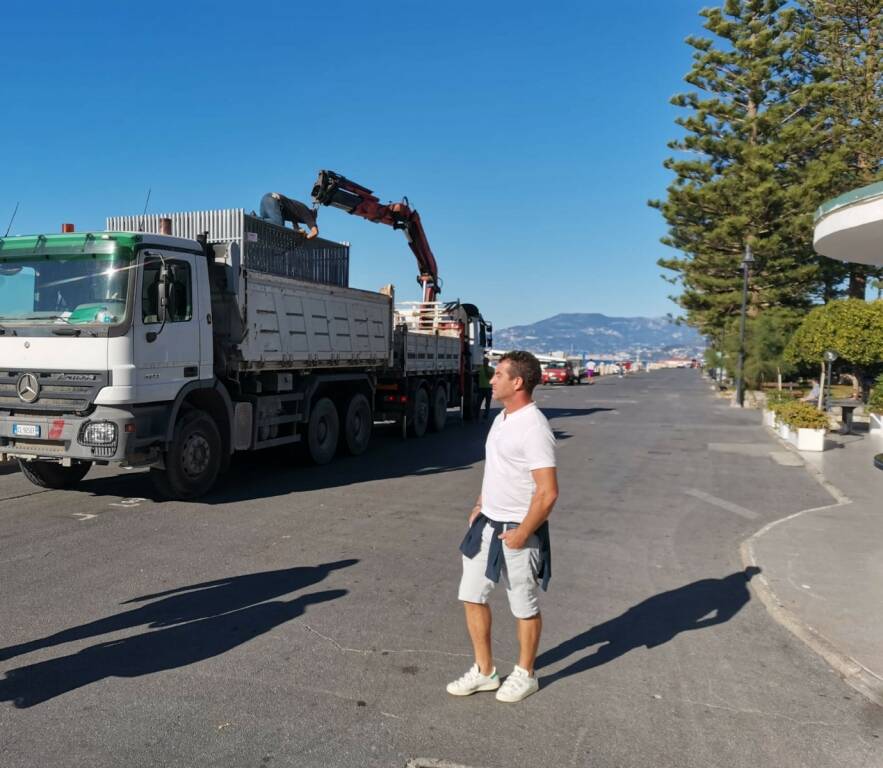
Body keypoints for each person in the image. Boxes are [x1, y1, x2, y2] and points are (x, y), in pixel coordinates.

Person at [448, 350, 559, 703]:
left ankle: (525, 674)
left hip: (517, 531)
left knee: (523, 605)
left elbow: (548, 492)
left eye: (498, 374)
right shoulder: (502, 418)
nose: (491, 379)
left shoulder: (534, 426)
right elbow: (496, 467)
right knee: (471, 595)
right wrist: (481, 502)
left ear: (518, 382)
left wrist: (524, 532)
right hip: (486, 525)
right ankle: (485, 671)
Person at [478, 356, 493, 420]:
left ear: (488, 362)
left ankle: (486, 415)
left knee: (487, 404)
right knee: (478, 403)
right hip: (481, 388)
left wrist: (485, 369)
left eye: (486, 361)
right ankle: (477, 415)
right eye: (484, 361)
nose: (485, 362)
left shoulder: (491, 369)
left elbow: (489, 376)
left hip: (488, 388)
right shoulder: (480, 368)